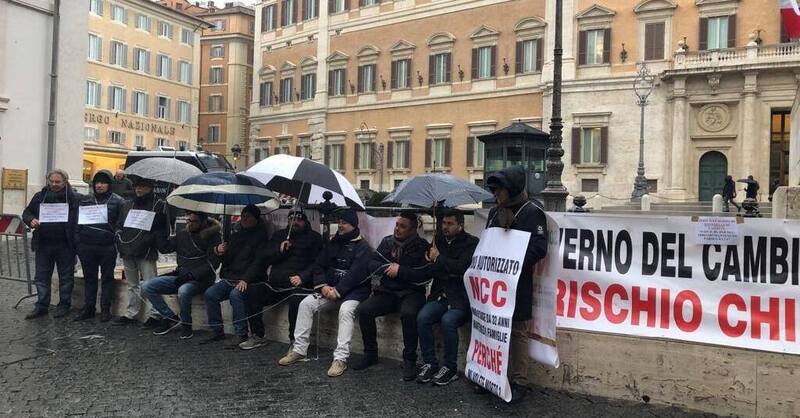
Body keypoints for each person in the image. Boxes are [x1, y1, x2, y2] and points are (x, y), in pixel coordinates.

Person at [278, 208, 371, 378]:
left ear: (354, 225)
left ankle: (340, 358)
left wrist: (338, 290)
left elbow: (356, 274)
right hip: (329, 289)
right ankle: (299, 349)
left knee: (346, 311)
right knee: (306, 303)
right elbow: (319, 265)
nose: (340, 225)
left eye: (344, 223)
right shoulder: (333, 242)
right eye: (339, 222)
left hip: (353, 292)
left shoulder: (363, 247)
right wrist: (322, 286)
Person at [484, 165, 548, 400]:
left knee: (518, 331)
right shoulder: (494, 213)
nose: (495, 194)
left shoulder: (532, 212)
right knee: (492, 327)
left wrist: (515, 263)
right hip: (493, 284)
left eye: (499, 190)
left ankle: (519, 380)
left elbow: (540, 248)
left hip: (517, 283)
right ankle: (490, 373)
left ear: (511, 190)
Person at [354, 212, 430, 381]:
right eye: (397, 224)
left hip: (411, 293)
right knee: (364, 310)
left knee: (409, 314)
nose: (398, 229)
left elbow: (423, 275)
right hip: (388, 292)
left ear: (413, 229)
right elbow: (372, 264)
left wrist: (401, 271)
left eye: (403, 226)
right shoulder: (387, 242)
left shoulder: (422, 245)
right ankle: (370, 353)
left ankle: (410, 360)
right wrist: (388, 268)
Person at [241, 207, 322, 350]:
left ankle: (295, 341)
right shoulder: (279, 235)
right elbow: (264, 257)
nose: (294, 222)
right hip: (276, 284)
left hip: (298, 284)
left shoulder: (314, 237)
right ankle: (258, 335)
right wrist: (278, 250)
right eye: (291, 219)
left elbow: (318, 263)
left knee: (297, 300)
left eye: (298, 219)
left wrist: (302, 277)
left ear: (304, 221)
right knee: (252, 291)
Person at [416, 212, 479, 386]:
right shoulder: (438, 241)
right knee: (423, 317)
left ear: (460, 225)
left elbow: (462, 269)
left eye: (450, 223)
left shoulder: (471, 243)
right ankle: (430, 363)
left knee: (448, 321)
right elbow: (433, 270)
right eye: (443, 223)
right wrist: (433, 260)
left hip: (460, 299)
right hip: (439, 295)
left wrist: (440, 260)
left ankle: (450, 368)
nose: (445, 227)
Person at [141, 211, 221, 339]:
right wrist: (159, 230)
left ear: (203, 222)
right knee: (147, 286)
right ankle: (170, 317)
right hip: (181, 275)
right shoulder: (183, 234)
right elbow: (165, 248)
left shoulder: (213, 236)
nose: (190, 224)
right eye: (188, 220)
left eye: (194, 221)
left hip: (201, 279)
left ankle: (186, 324)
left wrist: (191, 275)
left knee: (183, 291)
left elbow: (213, 264)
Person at [202, 204, 270, 347]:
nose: (244, 219)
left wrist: (246, 279)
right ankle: (217, 331)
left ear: (256, 218)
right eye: (243, 216)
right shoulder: (236, 235)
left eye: (248, 217)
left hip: (249, 279)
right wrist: (218, 251)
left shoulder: (262, 237)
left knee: (236, 295)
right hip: (230, 277)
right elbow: (226, 260)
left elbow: (259, 262)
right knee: (210, 293)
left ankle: (241, 333)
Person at [22, 169, 82, 319]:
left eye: (58, 182)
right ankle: (42, 305)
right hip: (44, 243)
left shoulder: (75, 198)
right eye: (52, 181)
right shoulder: (40, 196)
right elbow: (27, 212)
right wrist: (31, 220)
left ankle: (64, 305)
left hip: (65, 245)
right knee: (42, 277)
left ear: (65, 182)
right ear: (48, 181)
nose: (54, 184)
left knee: (66, 277)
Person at [113, 177, 169, 327]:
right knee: (132, 284)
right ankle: (132, 313)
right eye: (137, 186)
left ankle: (155, 314)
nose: (138, 189)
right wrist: (119, 237)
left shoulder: (159, 205)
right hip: (128, 249)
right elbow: (120, 224)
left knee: (151, 283)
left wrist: (150, 241)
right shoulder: (128, 204)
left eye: (143, 186)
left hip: (146, 250)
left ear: (150, 187)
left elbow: (162, 229)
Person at [74, 170, 124, 322]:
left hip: (107, 247)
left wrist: (116, 235)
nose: (100, 185)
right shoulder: (86, 200)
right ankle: (89, 307)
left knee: (107, 278)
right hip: (87, 245)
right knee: (90, 278)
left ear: (109, 184)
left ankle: (105, 309)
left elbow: (120, 223)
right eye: (97, 182)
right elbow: (78, 223)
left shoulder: (118, 201)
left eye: (103, 182)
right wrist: (78, 242)